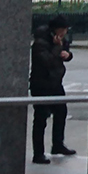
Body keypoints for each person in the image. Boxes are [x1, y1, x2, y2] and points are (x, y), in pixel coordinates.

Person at [30, 14, 75, 163]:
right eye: (63, 30)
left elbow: (66, 53)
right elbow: (46, 61)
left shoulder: (60, 40)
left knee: (61, 111)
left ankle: (57, 144)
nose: (64, 34)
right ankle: (38, 153)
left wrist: (67, 54)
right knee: (41, 118)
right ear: (56, 29)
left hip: (55, 83)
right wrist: (57, 48)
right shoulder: (40, 42)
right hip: (41, 84)